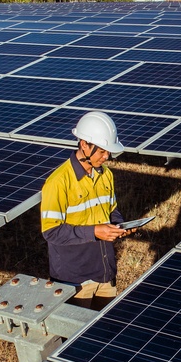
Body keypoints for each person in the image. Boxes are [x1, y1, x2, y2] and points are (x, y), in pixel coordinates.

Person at [40, 111, 129, 310]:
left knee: (104, 333)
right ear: (84, 145)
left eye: (108, 152)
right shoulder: (58, 183)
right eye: (102, 151)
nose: (106, 157)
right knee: (75, 335)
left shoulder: (106, 175)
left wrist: (119, 225)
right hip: (75, 281)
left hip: (105, 273)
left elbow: (112, 210)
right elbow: (51, 232)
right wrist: (95, 231)